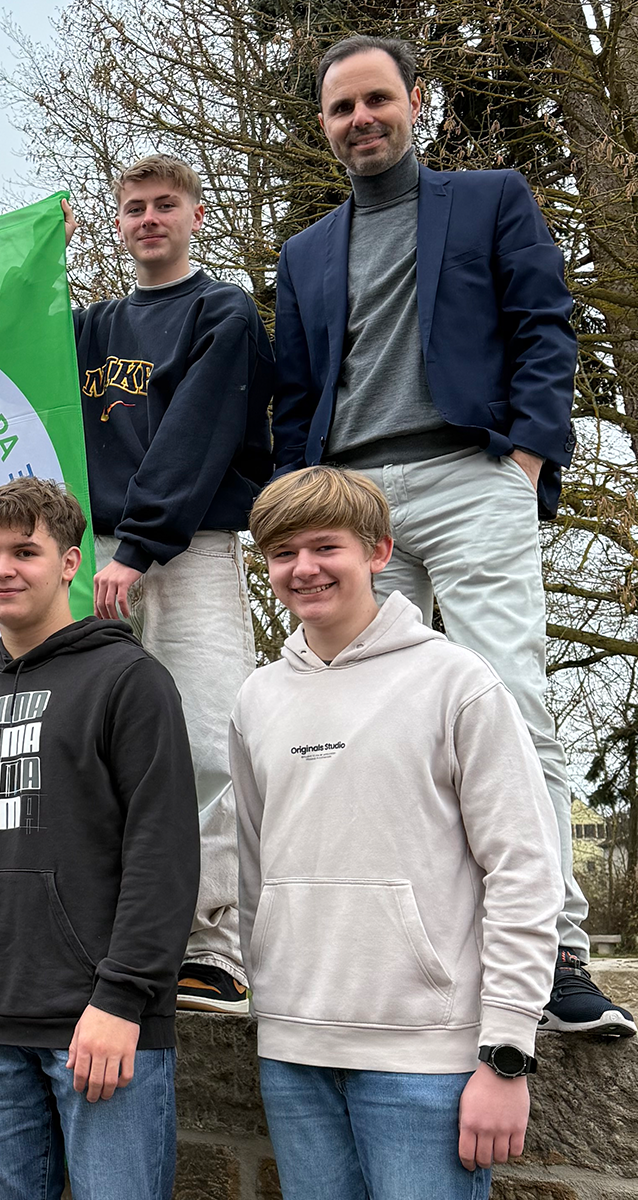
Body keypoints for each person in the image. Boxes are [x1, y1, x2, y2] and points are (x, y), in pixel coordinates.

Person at [271, 35, 627, 1036]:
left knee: (507, 701)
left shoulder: (490, 199)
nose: (360, 120)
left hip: (470, 475)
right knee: (370, 728)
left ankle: (553, 951)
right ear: (325, 123)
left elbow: (546, 324)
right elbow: (299, 391)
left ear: (417, 100)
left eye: (377, 99)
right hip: (351, 503)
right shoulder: (304, 254)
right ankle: (410, 941)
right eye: (341, 108)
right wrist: (303, 509)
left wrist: (523, 460)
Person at [233, 466, 563, 1197]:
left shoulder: (458, 682)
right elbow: (252, 867)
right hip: (292, 1053)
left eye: (326, 547)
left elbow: (523, 869)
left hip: (428, 1063)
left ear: (379, 552)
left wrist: (507, 1052)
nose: (304, 568)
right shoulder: (256, 699)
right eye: (283, 552)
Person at [0, 477, 199, 1200]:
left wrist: (123, 998)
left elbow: (162, 855)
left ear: (69, 563)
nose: (2, 568)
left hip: (98, 1028)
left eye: (25, 551)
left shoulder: (131, 679)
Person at [65, 153, 274, 1014]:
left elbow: (197, 436)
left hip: (184, 546)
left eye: (164, 205)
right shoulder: (91, 326)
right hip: (96, 549)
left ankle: (212, 943)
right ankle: (116, 931)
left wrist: (140, 547)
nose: (148, 219)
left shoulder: (220, 311)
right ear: (116, 223)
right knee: (93, 746)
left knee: (203, 734)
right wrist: (39, 260)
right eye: (132, 208)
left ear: (193, 214)